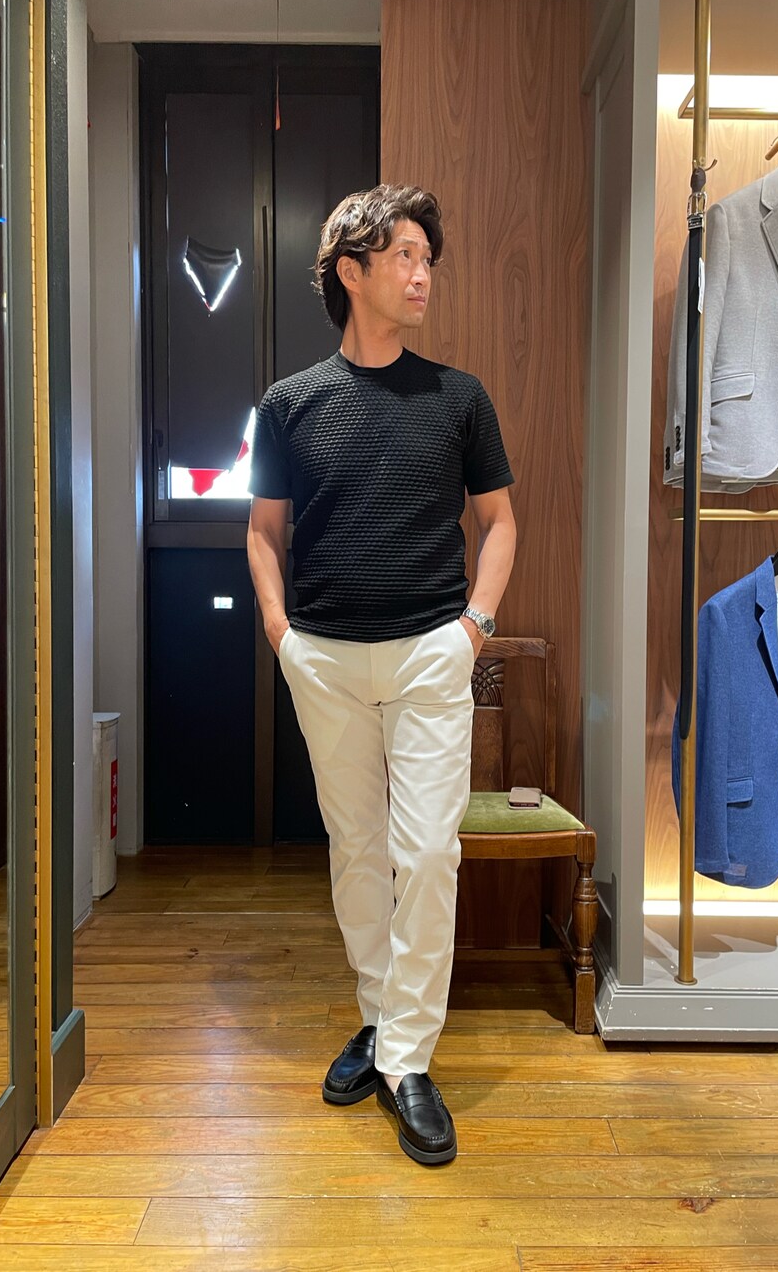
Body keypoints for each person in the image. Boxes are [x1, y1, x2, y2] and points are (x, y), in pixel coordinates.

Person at [247, 184, 516, 1165]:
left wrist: (474, 626)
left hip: (431, 653)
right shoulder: (288, 404)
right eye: (404, 255)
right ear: (350, 271)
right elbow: (263, 532)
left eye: (427, 259)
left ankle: (406, 1057)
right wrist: (281, 633)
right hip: (322, 657)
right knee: (357, 847)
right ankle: (379, 1015)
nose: (422, 275)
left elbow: (500, 522)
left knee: (429, 851)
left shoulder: (459, 397)